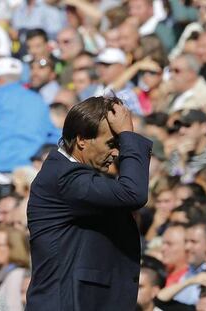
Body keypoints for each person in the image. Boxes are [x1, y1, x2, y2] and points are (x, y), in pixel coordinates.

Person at [26, 96, 152, 310]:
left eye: (120, 144)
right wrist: (129, 135)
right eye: (112, 143)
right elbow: (133, 193)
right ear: (82, 139)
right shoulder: (64, 178)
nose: (117, 152)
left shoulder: (73, 175)